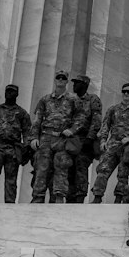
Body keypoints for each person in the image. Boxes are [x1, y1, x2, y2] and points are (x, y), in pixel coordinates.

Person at [30, 68, 85, 203]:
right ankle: (38, 197)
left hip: (62, 138)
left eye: (63, 78)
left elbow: (81, 118)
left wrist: (72, 130)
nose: (60, 80)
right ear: (55, 80)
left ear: (66, 81)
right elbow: (38, 119)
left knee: (61, 166)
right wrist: (34, 138)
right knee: (42, 168)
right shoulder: (45, 99)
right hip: (46, 137)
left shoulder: (73, 99)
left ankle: (59, 196)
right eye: (58, 77)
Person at [91, 81, 129, 203]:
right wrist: (103, 140)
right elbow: (105, 126)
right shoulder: (113, 109)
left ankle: (119, 198)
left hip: (126, 146)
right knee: (103, 170)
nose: (126, 93)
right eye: (124, 91)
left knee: (123, 174)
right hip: (112, 144)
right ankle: (97, 196)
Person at [0, 83, 31, 203]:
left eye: (12, 91)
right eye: (8, 91)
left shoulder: (22, 113)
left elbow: (27, 132)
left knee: (11, 180)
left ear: (17, 94)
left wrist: (26, 150)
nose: (9, 93)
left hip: (13, 148)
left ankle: (9, 203)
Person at [69, 73, 103, 203]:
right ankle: (70, 197)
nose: (74, 85)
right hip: (72, 141)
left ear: (84, 85)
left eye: (77, 83)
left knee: (81, 166)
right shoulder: (71, 100)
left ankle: (80, 196)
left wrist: (90, 137)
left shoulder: (93, 100)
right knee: (69, 168)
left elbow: (96, 120)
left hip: (85, 141)